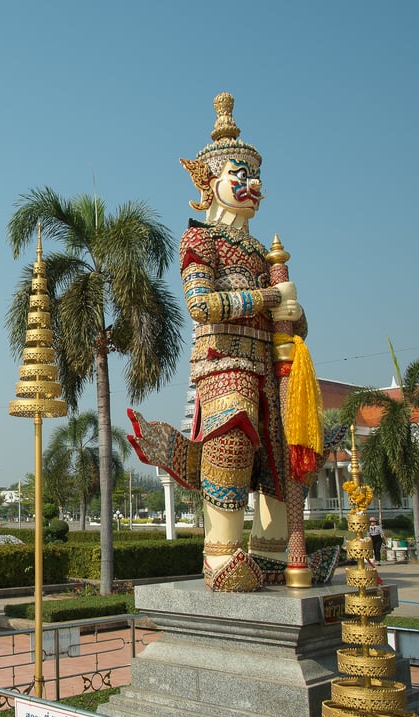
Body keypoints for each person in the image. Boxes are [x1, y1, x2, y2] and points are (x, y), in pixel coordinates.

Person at [127, 93, 313, 592]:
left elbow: (287, 323)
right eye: (239, 175)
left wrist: (294, 315)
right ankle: (221, 553)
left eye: (254, 178)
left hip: (271, 369)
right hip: (223, 362)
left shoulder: (260, 250)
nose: (250, 185)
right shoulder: (199, 240)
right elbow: (201, 306)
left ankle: (273, 550)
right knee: (231, 443)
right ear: (210, 183)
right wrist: (269, 296)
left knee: (279, 463)